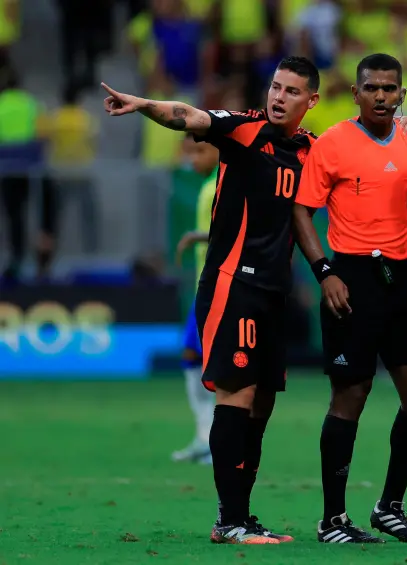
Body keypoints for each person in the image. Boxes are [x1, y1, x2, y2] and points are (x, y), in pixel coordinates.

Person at [102, 56, 322, 545]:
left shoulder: (312, 150)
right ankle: (230, 520)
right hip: (232, 283)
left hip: (274, 292)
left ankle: (242, 514)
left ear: (311, 101)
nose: (279, 96)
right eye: (275, 86)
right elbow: (189, 116)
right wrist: (143, 105)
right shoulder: (245, 130)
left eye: (291, 90)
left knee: (261, 404)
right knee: (236, 395)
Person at [293, 53, 407, 544]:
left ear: (402, 95)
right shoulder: (334, 143)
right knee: (350, 396)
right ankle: (333, 519)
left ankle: (390, 506)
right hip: (351, 278)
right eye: (372, 88)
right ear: (356, 94)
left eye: (390, 88)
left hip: (402, 278)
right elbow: (302, 213)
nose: (381, 95)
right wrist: (325, 274)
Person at [170, 136, 220, 464]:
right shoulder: (208, 185)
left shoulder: (225, 185)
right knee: (192, 355)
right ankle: (205, 437)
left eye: (200, 151)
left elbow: (237, 229)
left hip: (221, 286)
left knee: (217, 365)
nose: (193, 159)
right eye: (190, 152)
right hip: (206, 285)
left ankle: (218, 442)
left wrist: (195, 236)